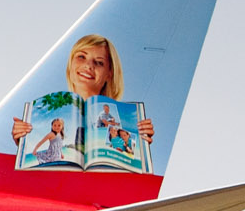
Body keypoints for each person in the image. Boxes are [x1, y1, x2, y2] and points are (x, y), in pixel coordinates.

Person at [11, 34, 155, 146]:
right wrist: (24, 140)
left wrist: (141, 144)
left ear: (109, 73)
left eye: (99, 62)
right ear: (71, 63)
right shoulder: (44, 114)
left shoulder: (123, 120)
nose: (88, 65)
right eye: (81, 57)